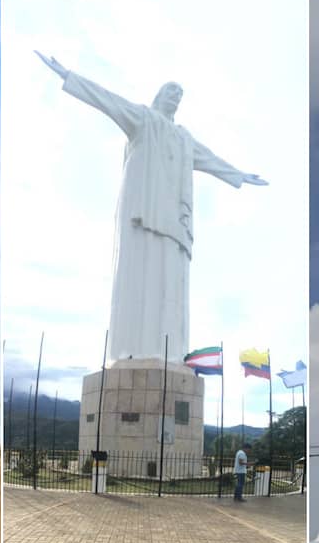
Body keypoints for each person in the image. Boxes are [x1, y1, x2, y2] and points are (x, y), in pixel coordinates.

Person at [36, 52, 267, 363]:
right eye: (171, 91)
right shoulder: (143, 119)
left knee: (170, 276)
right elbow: (107, 100)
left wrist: (239, 175)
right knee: (138, 270)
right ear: (159, 94)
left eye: (179, 95)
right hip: (143, 204)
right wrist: (68, 75)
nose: (175, 97)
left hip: (172, 215)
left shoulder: (183, 138)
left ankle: (168, 354)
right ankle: (131, 350)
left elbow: (211, 159)